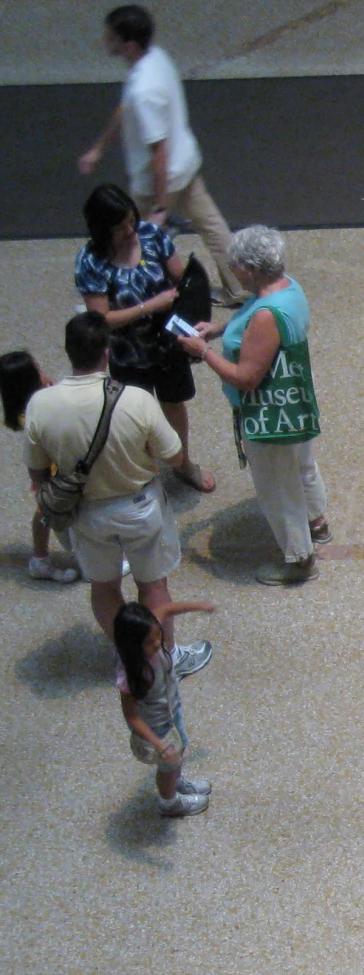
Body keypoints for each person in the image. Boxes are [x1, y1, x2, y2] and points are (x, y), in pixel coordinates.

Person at [24, 312, 211, 672]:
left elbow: (36, 470)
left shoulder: (40, 406)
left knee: (104, 588)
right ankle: (164, 659)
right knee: (153, 586)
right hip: (140, 506)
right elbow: (175, 456)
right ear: (106, 353)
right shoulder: (135, 400)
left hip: (86, 513)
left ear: (68, 351)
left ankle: (131, 657)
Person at [177, 225, 330, 587]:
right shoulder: (287, 286)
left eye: (236, 265)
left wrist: (204, 353)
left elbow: (246, 377)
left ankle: (299, 559)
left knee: (278, 486)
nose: (231, 270)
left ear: (253, 269)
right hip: (296, 401)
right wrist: (220, 329)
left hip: (269, 413)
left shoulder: (265, 315)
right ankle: (317, 523)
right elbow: (259, 321)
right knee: (303, 465)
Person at [75, 4, 245, 307]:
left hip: (157, 182)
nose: (106, 40)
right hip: (186, 165)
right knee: (213, 226)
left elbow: (158, 152)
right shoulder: (157, 60)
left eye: (111, 36)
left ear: (127, 43)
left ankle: (114, 296)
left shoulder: (144, 91)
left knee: (122, 233)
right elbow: (124, 109)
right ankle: (239, 286)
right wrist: (99, 147)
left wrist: (161, 206)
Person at [75, 182, 213, 494]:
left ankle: (182, 464)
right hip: (127, 352)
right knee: (133, 415)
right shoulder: (90, 261)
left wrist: (192, 312)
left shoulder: (151, 236)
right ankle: (142, 470)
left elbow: (181, 280)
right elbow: (102, 320)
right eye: (120, 225)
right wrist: (150, 305)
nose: (130, 228)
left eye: (130, 219)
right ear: (101, 229)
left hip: (167, 344)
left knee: (173, 403)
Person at [113, 595, 217, 817]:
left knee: (179, 748)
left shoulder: (150, 629)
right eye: (150, 642)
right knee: (167, 764)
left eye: (158, 635)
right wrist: (160, 746)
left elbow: (167, 608)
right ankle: (169, 802)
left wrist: (199, 604)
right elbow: (133, 717)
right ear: (132, 645)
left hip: (171, 712)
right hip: (156, 729)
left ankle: (177, 781)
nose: (158, 643)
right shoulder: (130, 675)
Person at [3, 351, 77, 585]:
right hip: (53, 473)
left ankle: (40, 559)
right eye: (39, 370)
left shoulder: (29, 409)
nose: (45, 374)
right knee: (61, 514)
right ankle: (85, 560)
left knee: (44, 513)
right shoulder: (35, 413)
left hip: (46, 472)